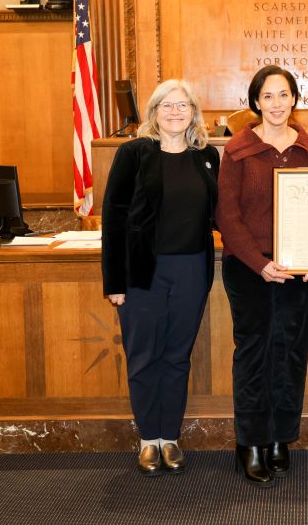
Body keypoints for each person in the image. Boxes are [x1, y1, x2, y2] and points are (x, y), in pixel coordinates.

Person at [217, 65, 308, 486]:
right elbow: (227, 216)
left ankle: (281, 436)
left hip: (299, 271)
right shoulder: (238, 150)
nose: (277, 103)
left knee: (290, 353)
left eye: (284, 95)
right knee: (254, 354)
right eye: (268, 96)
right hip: (250, 269)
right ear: (255, 102)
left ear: (294, 99)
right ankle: (250, 442)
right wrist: (259, 263)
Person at [101, 79, 219, 476]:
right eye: (166, 105)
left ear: (193, 113)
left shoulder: (206, 156)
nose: (174, 112)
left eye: (182, 105)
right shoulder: (134, 153)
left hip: (192, 271)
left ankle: (170, 437)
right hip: (142, 273)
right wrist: (114, 283)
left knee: (177, 357)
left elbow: (220, 213)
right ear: (153, 112)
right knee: (144, 357)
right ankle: (148, 439)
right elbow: (114, 218)